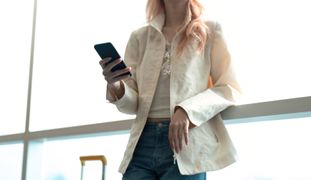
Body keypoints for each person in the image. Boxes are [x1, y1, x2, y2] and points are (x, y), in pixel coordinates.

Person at [99, 0, 240, 179]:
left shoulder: (210, 30)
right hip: (141, 145)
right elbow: (132, 104)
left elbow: (229, 88)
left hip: (186, 143)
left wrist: (187, 111)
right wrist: (116, 85)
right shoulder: (139, 37)